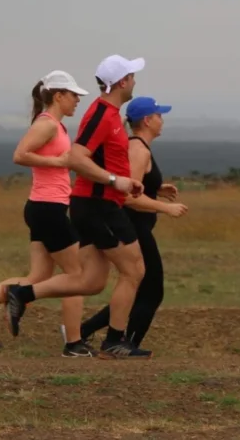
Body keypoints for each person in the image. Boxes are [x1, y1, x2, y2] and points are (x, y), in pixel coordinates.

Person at [3, 54, 150, 359]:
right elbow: (77, 158)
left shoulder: (108, 114)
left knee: (91, 282)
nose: (135, 80)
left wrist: (125, 181)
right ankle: (114, 341)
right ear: (122, 81)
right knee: (135, 269)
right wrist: (114, 180)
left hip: (99, 203)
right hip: (98, 205)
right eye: (132, 76)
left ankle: (22, 293)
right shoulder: (101, 114)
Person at [0, 70, 95, 357]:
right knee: (78, 275)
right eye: (74, 96)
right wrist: (59, 162)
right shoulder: (47, 125)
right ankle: (74, 343)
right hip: (48, 209)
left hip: (43, 208)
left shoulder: (57, 126)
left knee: (39, 276)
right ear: (58, 96)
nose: (77, 101)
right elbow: (19, 154)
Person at [72, 96, 188, 355]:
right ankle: (125, 343)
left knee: (139, 287)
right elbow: (128, 197)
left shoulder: (137, 146)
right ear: (147, 120)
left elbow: (134, 182)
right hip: (133, 227)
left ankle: (87, 332)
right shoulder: (138, 149)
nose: (162, 120)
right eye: (159, 115)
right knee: (150, 290)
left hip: (134, 225)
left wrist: (156, 188)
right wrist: (165, 207)